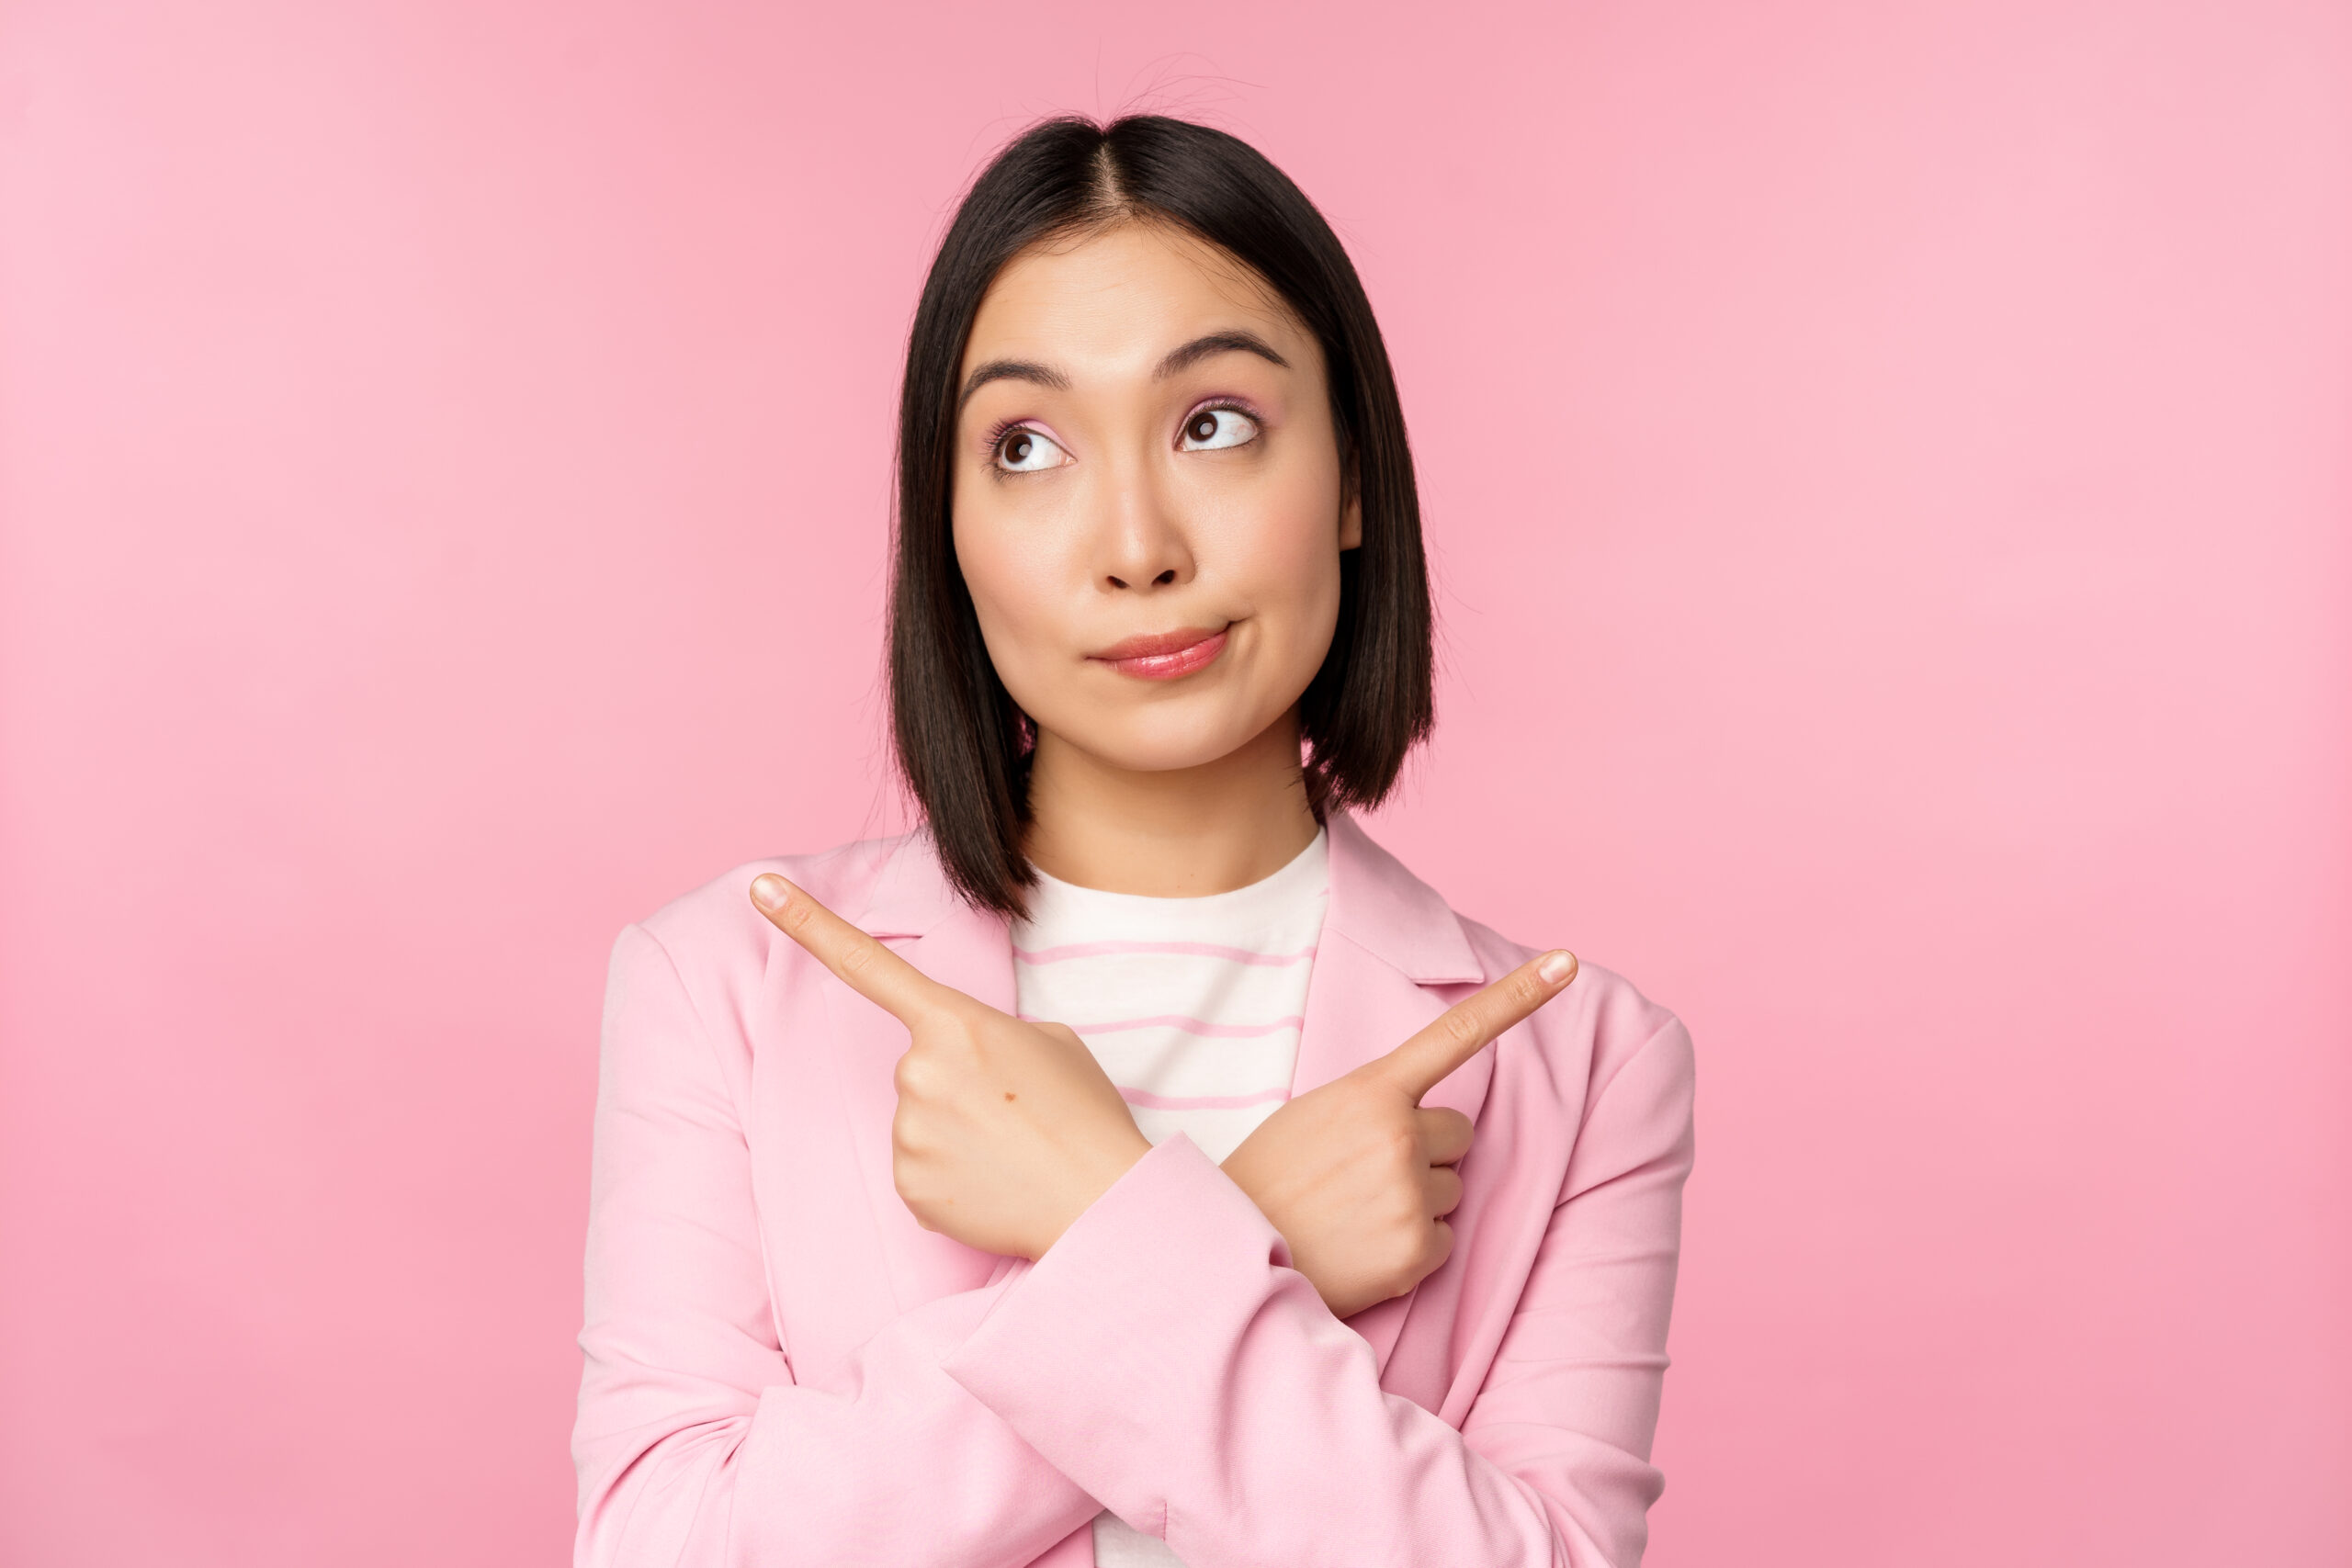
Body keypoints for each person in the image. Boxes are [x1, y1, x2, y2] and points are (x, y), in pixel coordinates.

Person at [571, 113, 1697, 1568]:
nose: (1136, 547)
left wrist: (1111, 1223)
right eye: (1028, 447)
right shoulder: (721, 986)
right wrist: (1233, 1235)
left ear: (1354, 479)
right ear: (947, 527)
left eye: (1213, 423)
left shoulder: (1587, 1065)